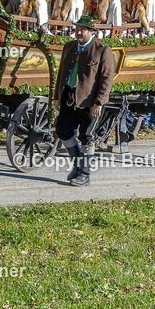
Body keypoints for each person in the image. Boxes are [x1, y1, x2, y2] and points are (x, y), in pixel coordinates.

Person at [55, 14, 116, 187]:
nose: (79, 33)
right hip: (69, 96)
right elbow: (61, 73)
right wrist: (57, 97)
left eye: (82, 30)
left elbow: (106, 79)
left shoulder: (102, 50)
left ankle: (84, 174)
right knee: (63, 130)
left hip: (89, 100)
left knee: (87, 136)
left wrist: (99, 102)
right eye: (77, 29)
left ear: (91, 32)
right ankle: (77, 165)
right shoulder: (69, 47)